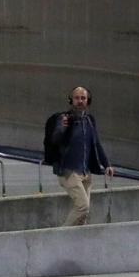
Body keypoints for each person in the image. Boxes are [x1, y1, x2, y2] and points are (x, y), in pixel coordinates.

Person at [45, 86, 114, 226]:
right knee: (83, 207)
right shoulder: (63, 119)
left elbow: (96, 143)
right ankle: (59, 236)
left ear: (88, 101)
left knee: (83, 216)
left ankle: (76, 243)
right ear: (71, 100)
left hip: (85, 173)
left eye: (83, 98)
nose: (80, 101)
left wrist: (107, 164)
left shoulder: (89, 121)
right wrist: (62, 128)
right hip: (69, 172)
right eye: (77, 98)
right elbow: (54, 140)